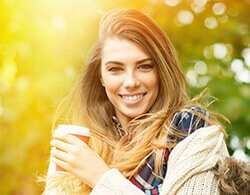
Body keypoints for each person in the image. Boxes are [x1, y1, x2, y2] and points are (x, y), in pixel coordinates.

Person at [44, 8, 250, 195]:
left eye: (144, 67)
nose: (131, 82)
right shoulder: (82, 145)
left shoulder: (193, 133)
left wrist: (100, 177)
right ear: (101, 78)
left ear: (161, 71)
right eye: (115, 69)